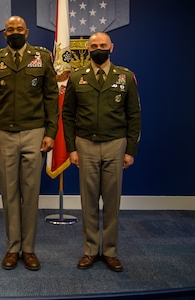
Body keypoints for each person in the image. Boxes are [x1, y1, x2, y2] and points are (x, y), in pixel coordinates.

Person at [0, 16, 59, 271]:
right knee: (9, 194)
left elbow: (50, 96)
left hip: (35, 132)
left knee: (31, 193)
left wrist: (51, 132)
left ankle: (29, 249)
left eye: (19, 29)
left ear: (27, 31)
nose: (15, 32)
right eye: (10, 29)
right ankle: (13, 247)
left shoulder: (42, 57)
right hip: (3, 135)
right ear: (4, 34)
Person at [62, 32, 141, 272]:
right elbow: (67, 116)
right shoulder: (77, 78)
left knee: (111, 201)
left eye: (103, 45)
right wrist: (71, 149)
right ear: (87, 49)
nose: (99, 48)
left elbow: (134, 116)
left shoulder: (125, 77)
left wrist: (130, 150)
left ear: (111, 48)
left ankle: (109, 252)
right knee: (88, 202)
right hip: (85, 145)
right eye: (94, 45)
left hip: (115, 144)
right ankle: (89, 251)